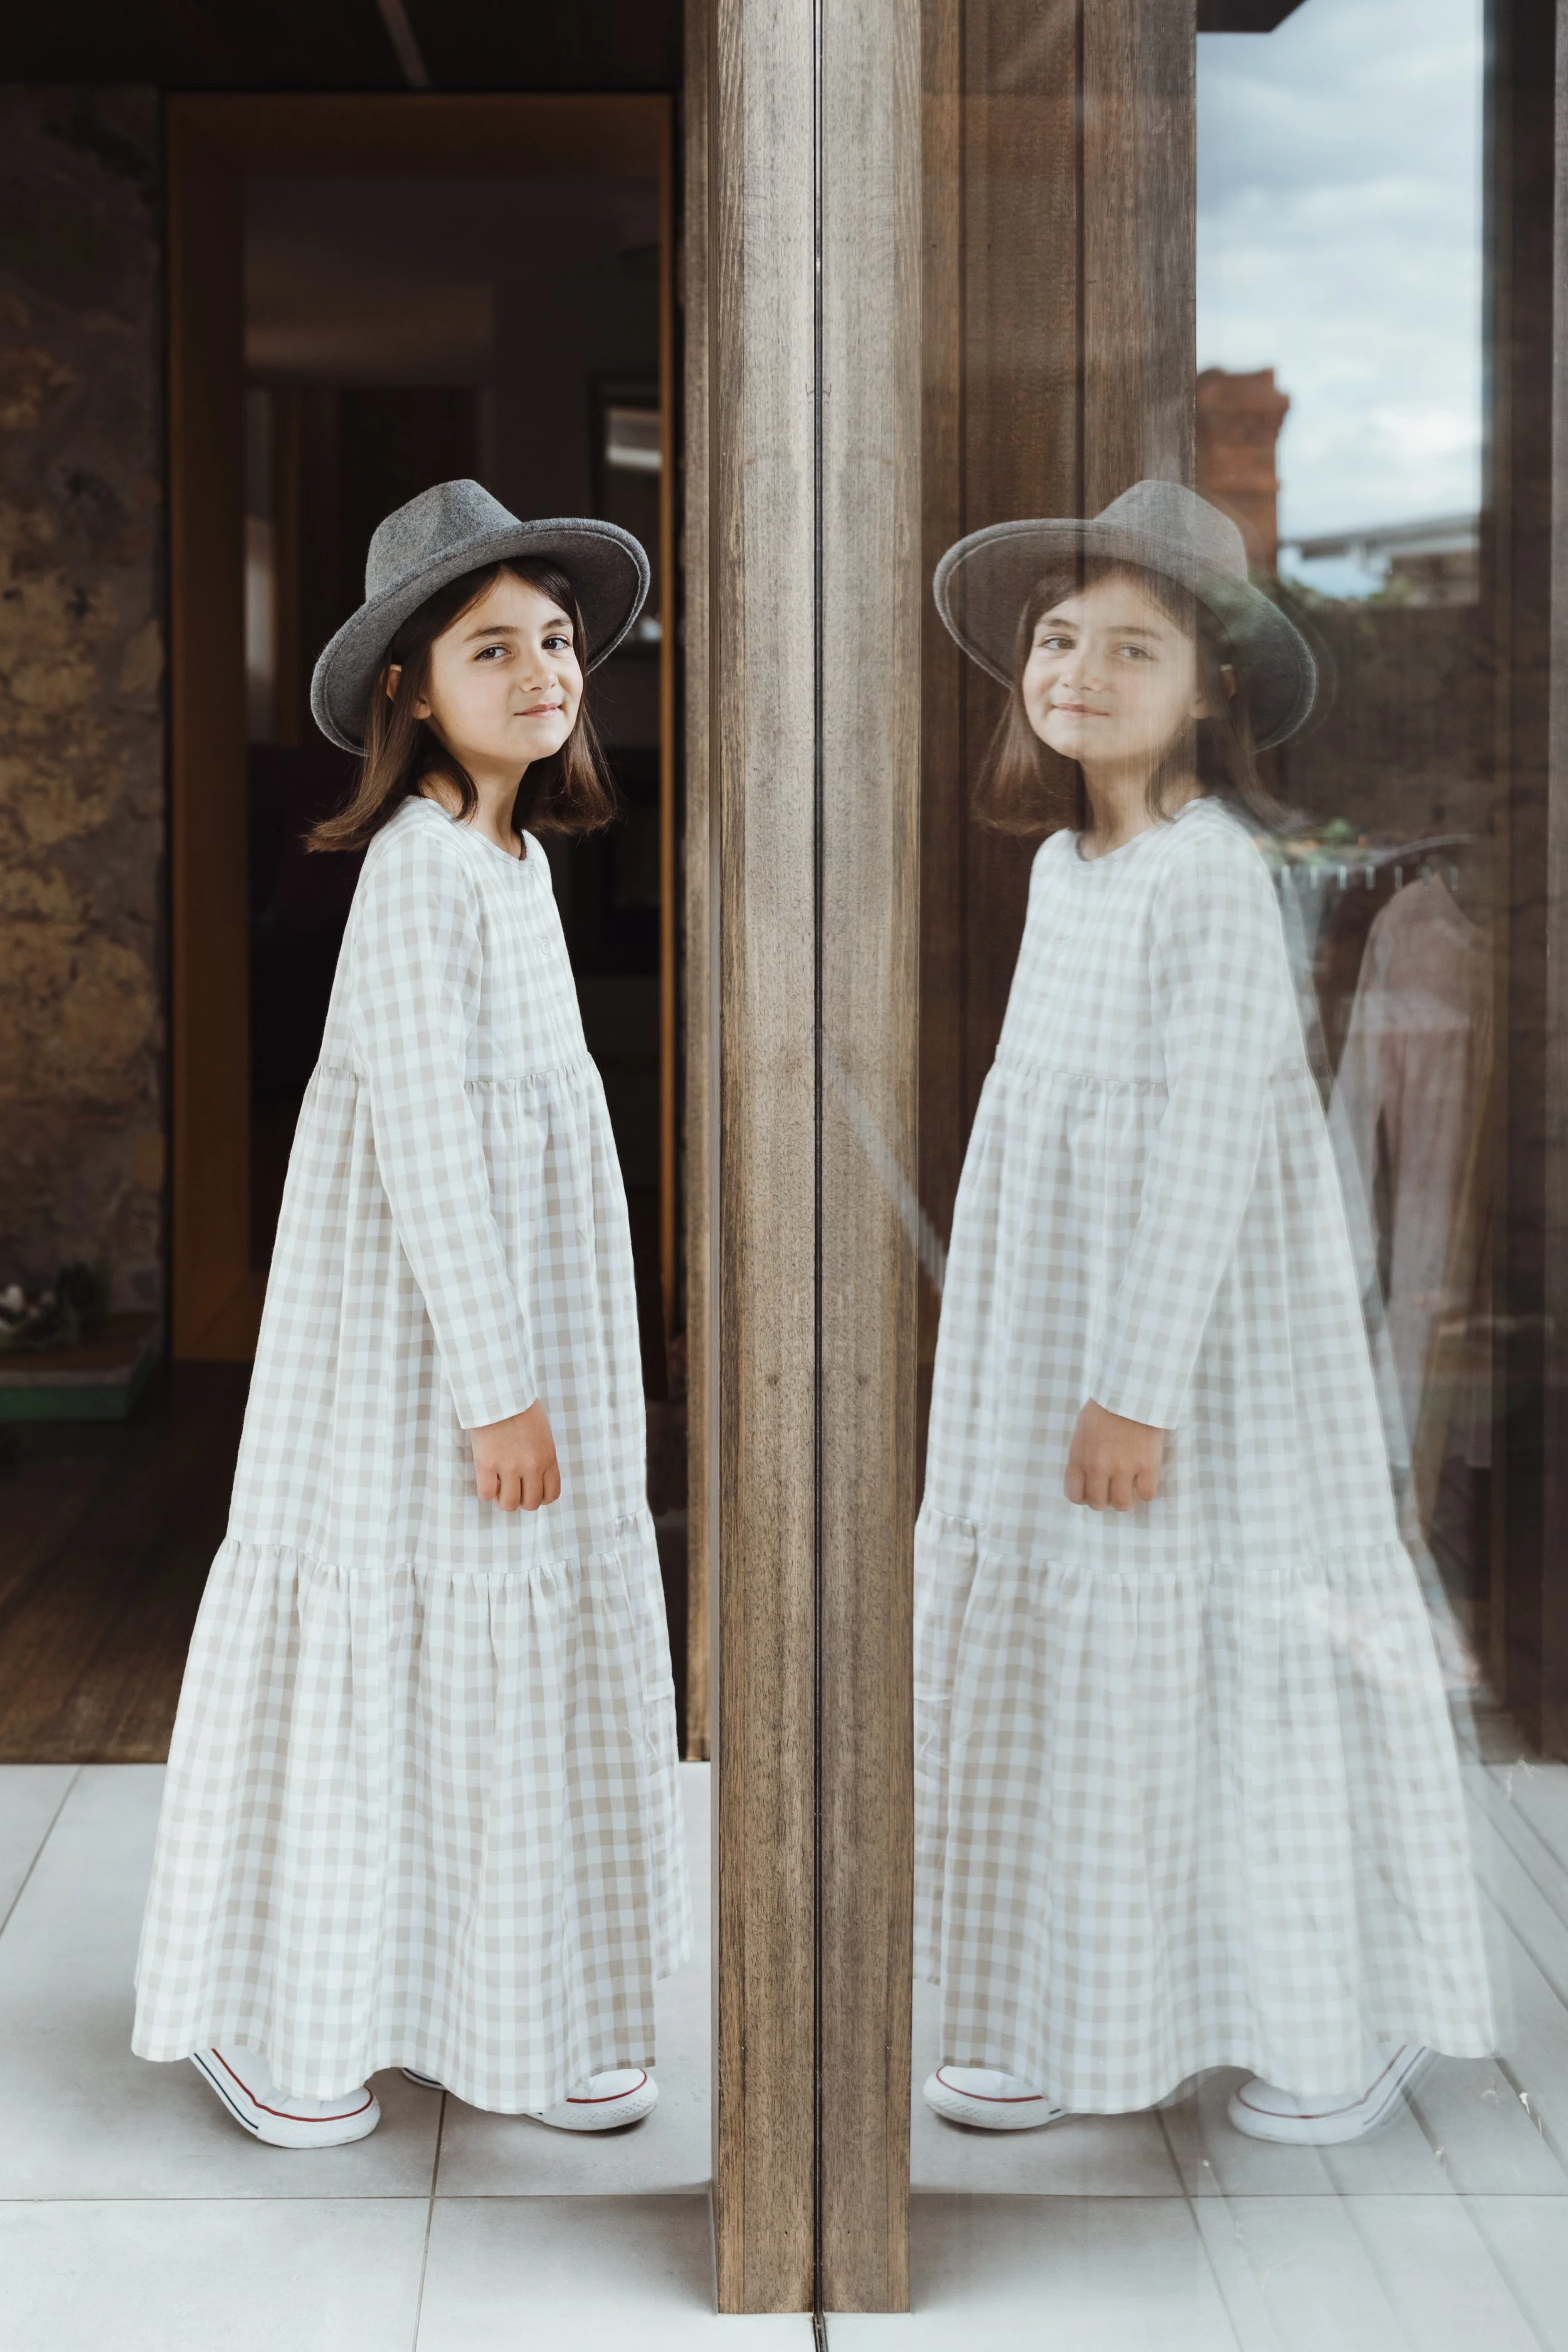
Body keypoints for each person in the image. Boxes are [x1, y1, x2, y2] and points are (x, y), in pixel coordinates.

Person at [914, 480, 1493, 2146]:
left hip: (1192, 1360)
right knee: (1075, 1663)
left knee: (1239, 1655)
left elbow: (1199, 1156)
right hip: (1057, 1344)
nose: (1076, 667)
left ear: (1212, 688)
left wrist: (1137, 1387)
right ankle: (1063, 2002)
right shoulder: (1061, 872)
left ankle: (1343, 2014)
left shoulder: (1216, 876)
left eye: (1132, 645)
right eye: (1054, 636)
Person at [133, 480, 691, 2148]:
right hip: (419, 1368)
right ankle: (280, 2017)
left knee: (498, 1650)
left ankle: (504, 1993)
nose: (544, 669)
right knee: (380, 1643)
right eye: (491, 645)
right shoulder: (413, 875)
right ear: (408, 689)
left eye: (560, 639)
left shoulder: (510, 866)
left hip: (512, 1352)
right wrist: (501, 1390)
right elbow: (437, 1155)